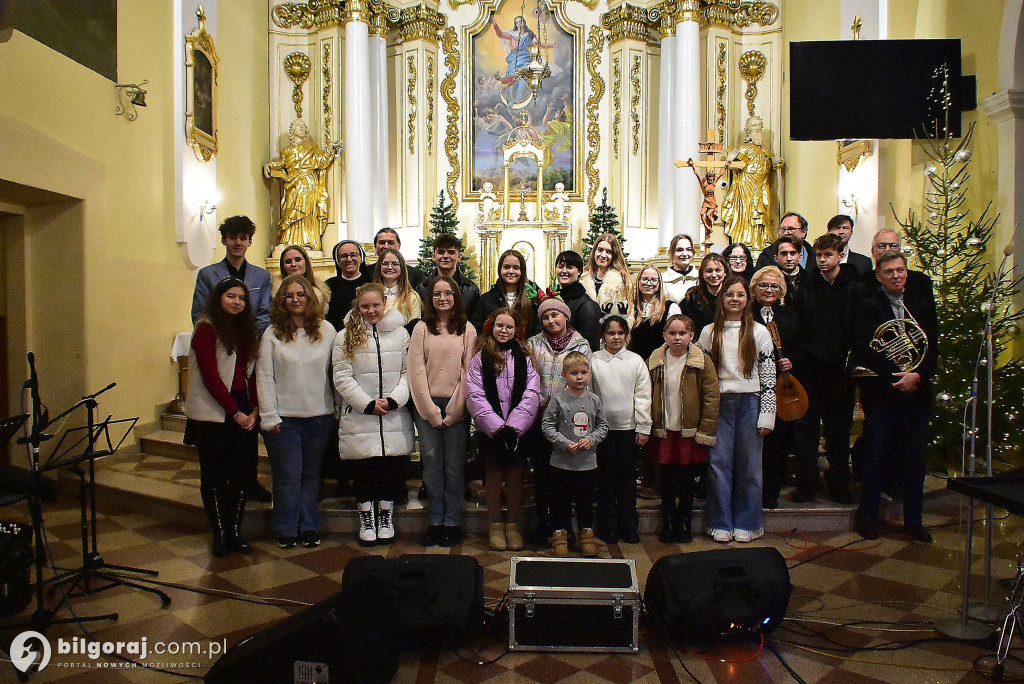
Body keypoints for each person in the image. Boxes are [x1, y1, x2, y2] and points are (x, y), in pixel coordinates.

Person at [850, 251, 937, 543]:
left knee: (915, 460)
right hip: (883, 394)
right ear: (879, 276)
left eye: (900, 271)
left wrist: (917, 376)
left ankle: (914, 521)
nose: (896, 276)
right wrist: (898, 376)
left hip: (916, 394)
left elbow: (932, 349)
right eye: (889, 272)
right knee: (876, 457)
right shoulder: (868, 307)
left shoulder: (922, 307)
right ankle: (868, 519)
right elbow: (866, 349)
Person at [257, 275, 336, 549]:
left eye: (300, 294)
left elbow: (334, 373)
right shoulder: (272, 333)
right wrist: (269, 415)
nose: (295, 299)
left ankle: (309, 526)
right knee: (288, 474)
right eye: (289, 295)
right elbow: (264, 376)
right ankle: (286, 527)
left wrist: (337, 410)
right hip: (284, 418)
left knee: (311, 474)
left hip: (320, 415)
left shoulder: (326, 330)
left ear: (309, 298)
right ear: (282, 300)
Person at [332, 283, 414, 547]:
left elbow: (407, 372)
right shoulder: (344, 336)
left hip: (392, 412)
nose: (371, 311)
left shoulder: (400, 334)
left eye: (376, 305)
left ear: (384, 303)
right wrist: (366, 404)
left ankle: (385, 517)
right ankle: (367, 518)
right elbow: (342, 376)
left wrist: (393, 400)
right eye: (365, 306)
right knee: (364, 469)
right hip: (360, 414)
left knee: (388, 469)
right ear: (358, 306)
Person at [184, 277, 261, 557]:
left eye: (241, 298)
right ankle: (219, 534)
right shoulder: (206, 328)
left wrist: (253, 408)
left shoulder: (246, 329)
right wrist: (235, 412)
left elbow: (251, 372)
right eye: (231, 296)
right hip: (214, 411)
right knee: (215, 476)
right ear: (219, 298)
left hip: (243, 406)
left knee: (242, 474)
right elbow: (210, 376)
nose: (236, 302)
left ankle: (234, 531)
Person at [698, 276, 776, 543]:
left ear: (748, 299)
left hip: (750, 401)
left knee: (750, 466)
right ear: (722, 298)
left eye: (740, 295)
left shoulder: (759, 332)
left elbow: (768, 375)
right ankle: (720, 521)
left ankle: (748, 521)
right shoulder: (709, 332)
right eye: (729, 294)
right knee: (718, 464)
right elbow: (705, 376)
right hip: (719, 403)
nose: (734, 299)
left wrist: (768, 413)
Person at [408, 276, 477, 547]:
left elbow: (468, 371)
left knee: (453, 466)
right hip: (426, 406)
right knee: (432, 464)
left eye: (448, 293)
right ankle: (435, 520)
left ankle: (452, 520)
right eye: (437, 294)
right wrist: (431, 412)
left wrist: (455, 409)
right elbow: (415, 371)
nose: (442, 298)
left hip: (457, 406)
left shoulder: (467, 329)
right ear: (431, 298)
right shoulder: (421, 328)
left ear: (456, 296)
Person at [465, 308, 542, 552]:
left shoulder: (526, 356)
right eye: (500, 325)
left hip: (518, 430)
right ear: (491, 326)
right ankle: (496, 525)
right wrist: (496, 427)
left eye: (509, 327)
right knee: (494, 477)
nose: (504, 331)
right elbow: (474, 393)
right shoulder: (480, 357)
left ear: (516, 330)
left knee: (515, 477)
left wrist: (515, 426)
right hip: (492, 430)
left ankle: (512, 526)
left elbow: (532, 392)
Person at [796, 233, 864, 504]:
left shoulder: (855, 288)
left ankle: (838, 484)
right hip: (811, 370)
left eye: (828, 256)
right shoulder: (807, 287)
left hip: (839, 371)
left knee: (838, 432)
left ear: (840, 255)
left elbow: (857, 330)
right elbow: (801, 328)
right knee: (807, 432)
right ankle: (807, 484)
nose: (823, 261)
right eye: (819, 256)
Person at [648, 314, 720, 543]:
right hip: (665, 430)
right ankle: (668, 521)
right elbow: (646, 393)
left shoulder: (702, 361)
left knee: (687, 481)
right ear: (664, 336)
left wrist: (706, 428)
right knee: (667, 479)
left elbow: (711, 396)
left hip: (689, 430)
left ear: (692, 335)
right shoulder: (656, 360)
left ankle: (685, 521)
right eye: (672, 333)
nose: (677, 338)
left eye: (682, 333)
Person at [526, 297, 591, 544]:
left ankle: (565, 528)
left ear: (566, 317)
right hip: (540, 419)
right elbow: (530, 379)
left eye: (555, 315)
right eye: (545, 317)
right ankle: (545, 525)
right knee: (542, 475)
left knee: (565, 478)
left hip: (569, 422)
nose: (551, 320)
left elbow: (582, 381)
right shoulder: (533, 344)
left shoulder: (581, 345)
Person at [590, 313, 652, 545]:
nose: (616, 337)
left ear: (626, 335)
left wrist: (643, 426)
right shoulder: (594, 360)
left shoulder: (636, 361)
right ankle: (608, 526)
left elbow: (643, 396)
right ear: (603, 336)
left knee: (626, 481)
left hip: (628, 430)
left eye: (620, 333)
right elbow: (590, 394)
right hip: (602, 431)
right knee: (605, 481)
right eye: (611, 333)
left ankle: (629, 526)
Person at [541, 352, 609, 556]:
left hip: (587, 464)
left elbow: (603, 426)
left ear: (589, 374)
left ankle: (586, 535)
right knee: (560, 501)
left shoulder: (594, 400)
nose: (579, 377)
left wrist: (592, 439)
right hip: (561, 464)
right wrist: (564, 443)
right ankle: (560, 535)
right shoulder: (558, 399)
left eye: (583, 373)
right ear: (564, 375)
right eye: (573, 373)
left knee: (585, 502)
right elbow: (547, 425)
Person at [750, 266, 806, 509]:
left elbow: (805, 345)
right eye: (763, 285)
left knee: (776, 441)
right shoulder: (744, 313)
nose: (769, 290)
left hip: (780, 387)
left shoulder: (792, 316)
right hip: (751, 384)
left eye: (774, 286)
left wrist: (792, 359)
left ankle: (770, 492)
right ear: (753, 289)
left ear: (782, 290)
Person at [262, 119, 341, 250]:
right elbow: (283, 163)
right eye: (298, 126)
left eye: (303, 126)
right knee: (290, 209)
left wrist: (331, 150)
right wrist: (269, 165)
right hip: (292, 183)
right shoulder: (286, 150)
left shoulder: (311, 147)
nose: (301, 127)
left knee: (306, 211)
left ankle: (307, 241)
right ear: (291, 130)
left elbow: (321, 161)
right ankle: (288, 239)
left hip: (308, 182)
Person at [192, 215, 272, 337]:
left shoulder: (262, 276)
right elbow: (200, 313)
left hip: (252, 341)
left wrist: (248, 335)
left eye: (243, 238)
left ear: (250, 242)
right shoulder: (207, 274)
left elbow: (265, 313)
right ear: (224, 240)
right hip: (218, 341)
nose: (238, 243)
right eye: (232, 238)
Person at [721, 115, 784, 251]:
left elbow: (771, 164)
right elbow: (731, 164)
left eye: (759, 126)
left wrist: (777, 163)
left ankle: (762, 239)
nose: (758, 129)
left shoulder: (766, 150)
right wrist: (730, 158)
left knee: (763, 212)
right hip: (746, 185)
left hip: (762, 185)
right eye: (754, 126)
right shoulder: (742, 148)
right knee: (747, 212)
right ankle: (745, 240)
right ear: (748, 129)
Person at [471, 249, 540, 336]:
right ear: (500, 269)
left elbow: (539, 329)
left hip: (527, 348)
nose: (511, 271)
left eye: (516, 268)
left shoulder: (534, 298)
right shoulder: (486, 299)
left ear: (522, 271)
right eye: (506, 267)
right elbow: (477, 329)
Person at [415, 233, 481, 322]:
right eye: (441, 252)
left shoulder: (471, 289)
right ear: (434, 257)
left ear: (459, 257)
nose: (445, 256)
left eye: (451, 252)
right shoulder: (422, 287)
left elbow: (475, 322)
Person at [629, 265, 681, 361]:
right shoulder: (631, 307)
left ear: (659, 283)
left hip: (660, 364)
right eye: (645, 279)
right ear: (638, 281)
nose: (649, 283)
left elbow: (677, 339)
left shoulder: (670, 308)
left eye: (653, 280)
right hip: (635, 364)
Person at [553, 250, 602, 350]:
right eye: (561, 266)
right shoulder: (553, 299)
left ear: (579, 271)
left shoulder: (587, 305)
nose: (564, 271)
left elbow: (590, 345)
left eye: (570, 267)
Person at [324, 239, 370, 331]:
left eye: (353, 254)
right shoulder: (328, 286)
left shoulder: (371, 284)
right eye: (344, 256)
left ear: (361, 258)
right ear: (338, 260)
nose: (349, 259)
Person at [373, 247, 422, 332]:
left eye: (395, 264)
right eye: (385, 263)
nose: (389, 267)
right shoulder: (371, 294)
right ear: (379, 267)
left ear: (402, 267)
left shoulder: (412, 296)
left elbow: (415, 326)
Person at [581, 233, 632, 312]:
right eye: (600, 250)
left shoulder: (622, 280)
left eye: (608, 252)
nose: (603, 255)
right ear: (594, 251)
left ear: (614, 255)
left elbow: (628, 312)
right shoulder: (582, 278)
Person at [680, 253, 728, 337]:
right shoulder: (692, 296)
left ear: (725, 272)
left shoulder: (731, 294)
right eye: (709, 271)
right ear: (702, 273)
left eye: (718, 270)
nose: (713, 275)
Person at [278, 245, 328, 309]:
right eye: (288, 262)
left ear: (306, 262)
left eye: (298, 260)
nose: (293, 264)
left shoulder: (319, 292)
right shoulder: (274, 290)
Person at [774, 235, 811, 306]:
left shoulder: (811, 279)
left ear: (800, 257)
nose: (789, 258)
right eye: (784, 254)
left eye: (793, 253)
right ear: (776, 258)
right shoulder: (771, 280)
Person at [663, 234, 699, 304]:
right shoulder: (663, 280)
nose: (685, 254)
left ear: (693, 253)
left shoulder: (700, 277)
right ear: (670, 253)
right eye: (679, 250)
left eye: (689, 250)